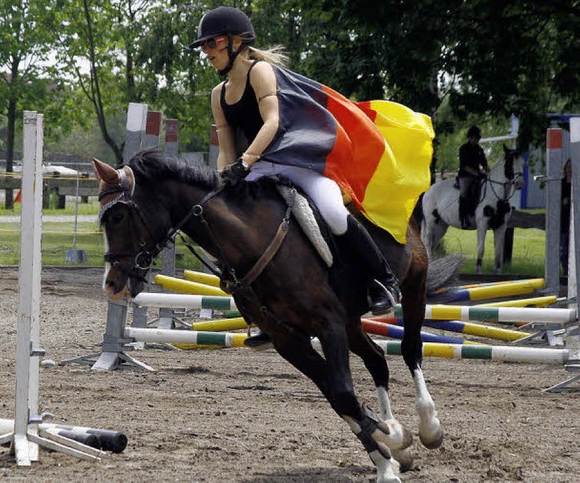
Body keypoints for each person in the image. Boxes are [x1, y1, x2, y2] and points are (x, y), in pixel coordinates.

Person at [190, 7, 435, 344]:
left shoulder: (260, 71)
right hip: (257, 168)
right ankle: (263, 311)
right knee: (225, 227)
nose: (207, 51)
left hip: (298, 160)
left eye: (211, 43)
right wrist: (223, 178)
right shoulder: (218, 95)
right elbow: (226, 147)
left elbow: (273, 122)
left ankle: (383, 280)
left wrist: (245, 161)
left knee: (334, 211)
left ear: (235, 41)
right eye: (203, 46)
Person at [457, 125, 490, 228]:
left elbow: (484, 164)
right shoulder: (464, 148)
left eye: (478, 138)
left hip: (477, 176)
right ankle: (463, 218)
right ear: (470, 137)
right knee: (464, 193)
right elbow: (464, 166)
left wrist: (490, 174)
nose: (477, 140)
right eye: (475, 138)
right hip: (465, 176)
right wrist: (478, 173)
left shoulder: (479, 149)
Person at [560, 159, 572, 276]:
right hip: (563, 221)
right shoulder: (561, 184)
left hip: (574, 221)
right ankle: (565, 272)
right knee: (564, 249)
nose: (570, 169)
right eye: (568, 167)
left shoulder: (577, 183)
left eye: (571, 167)